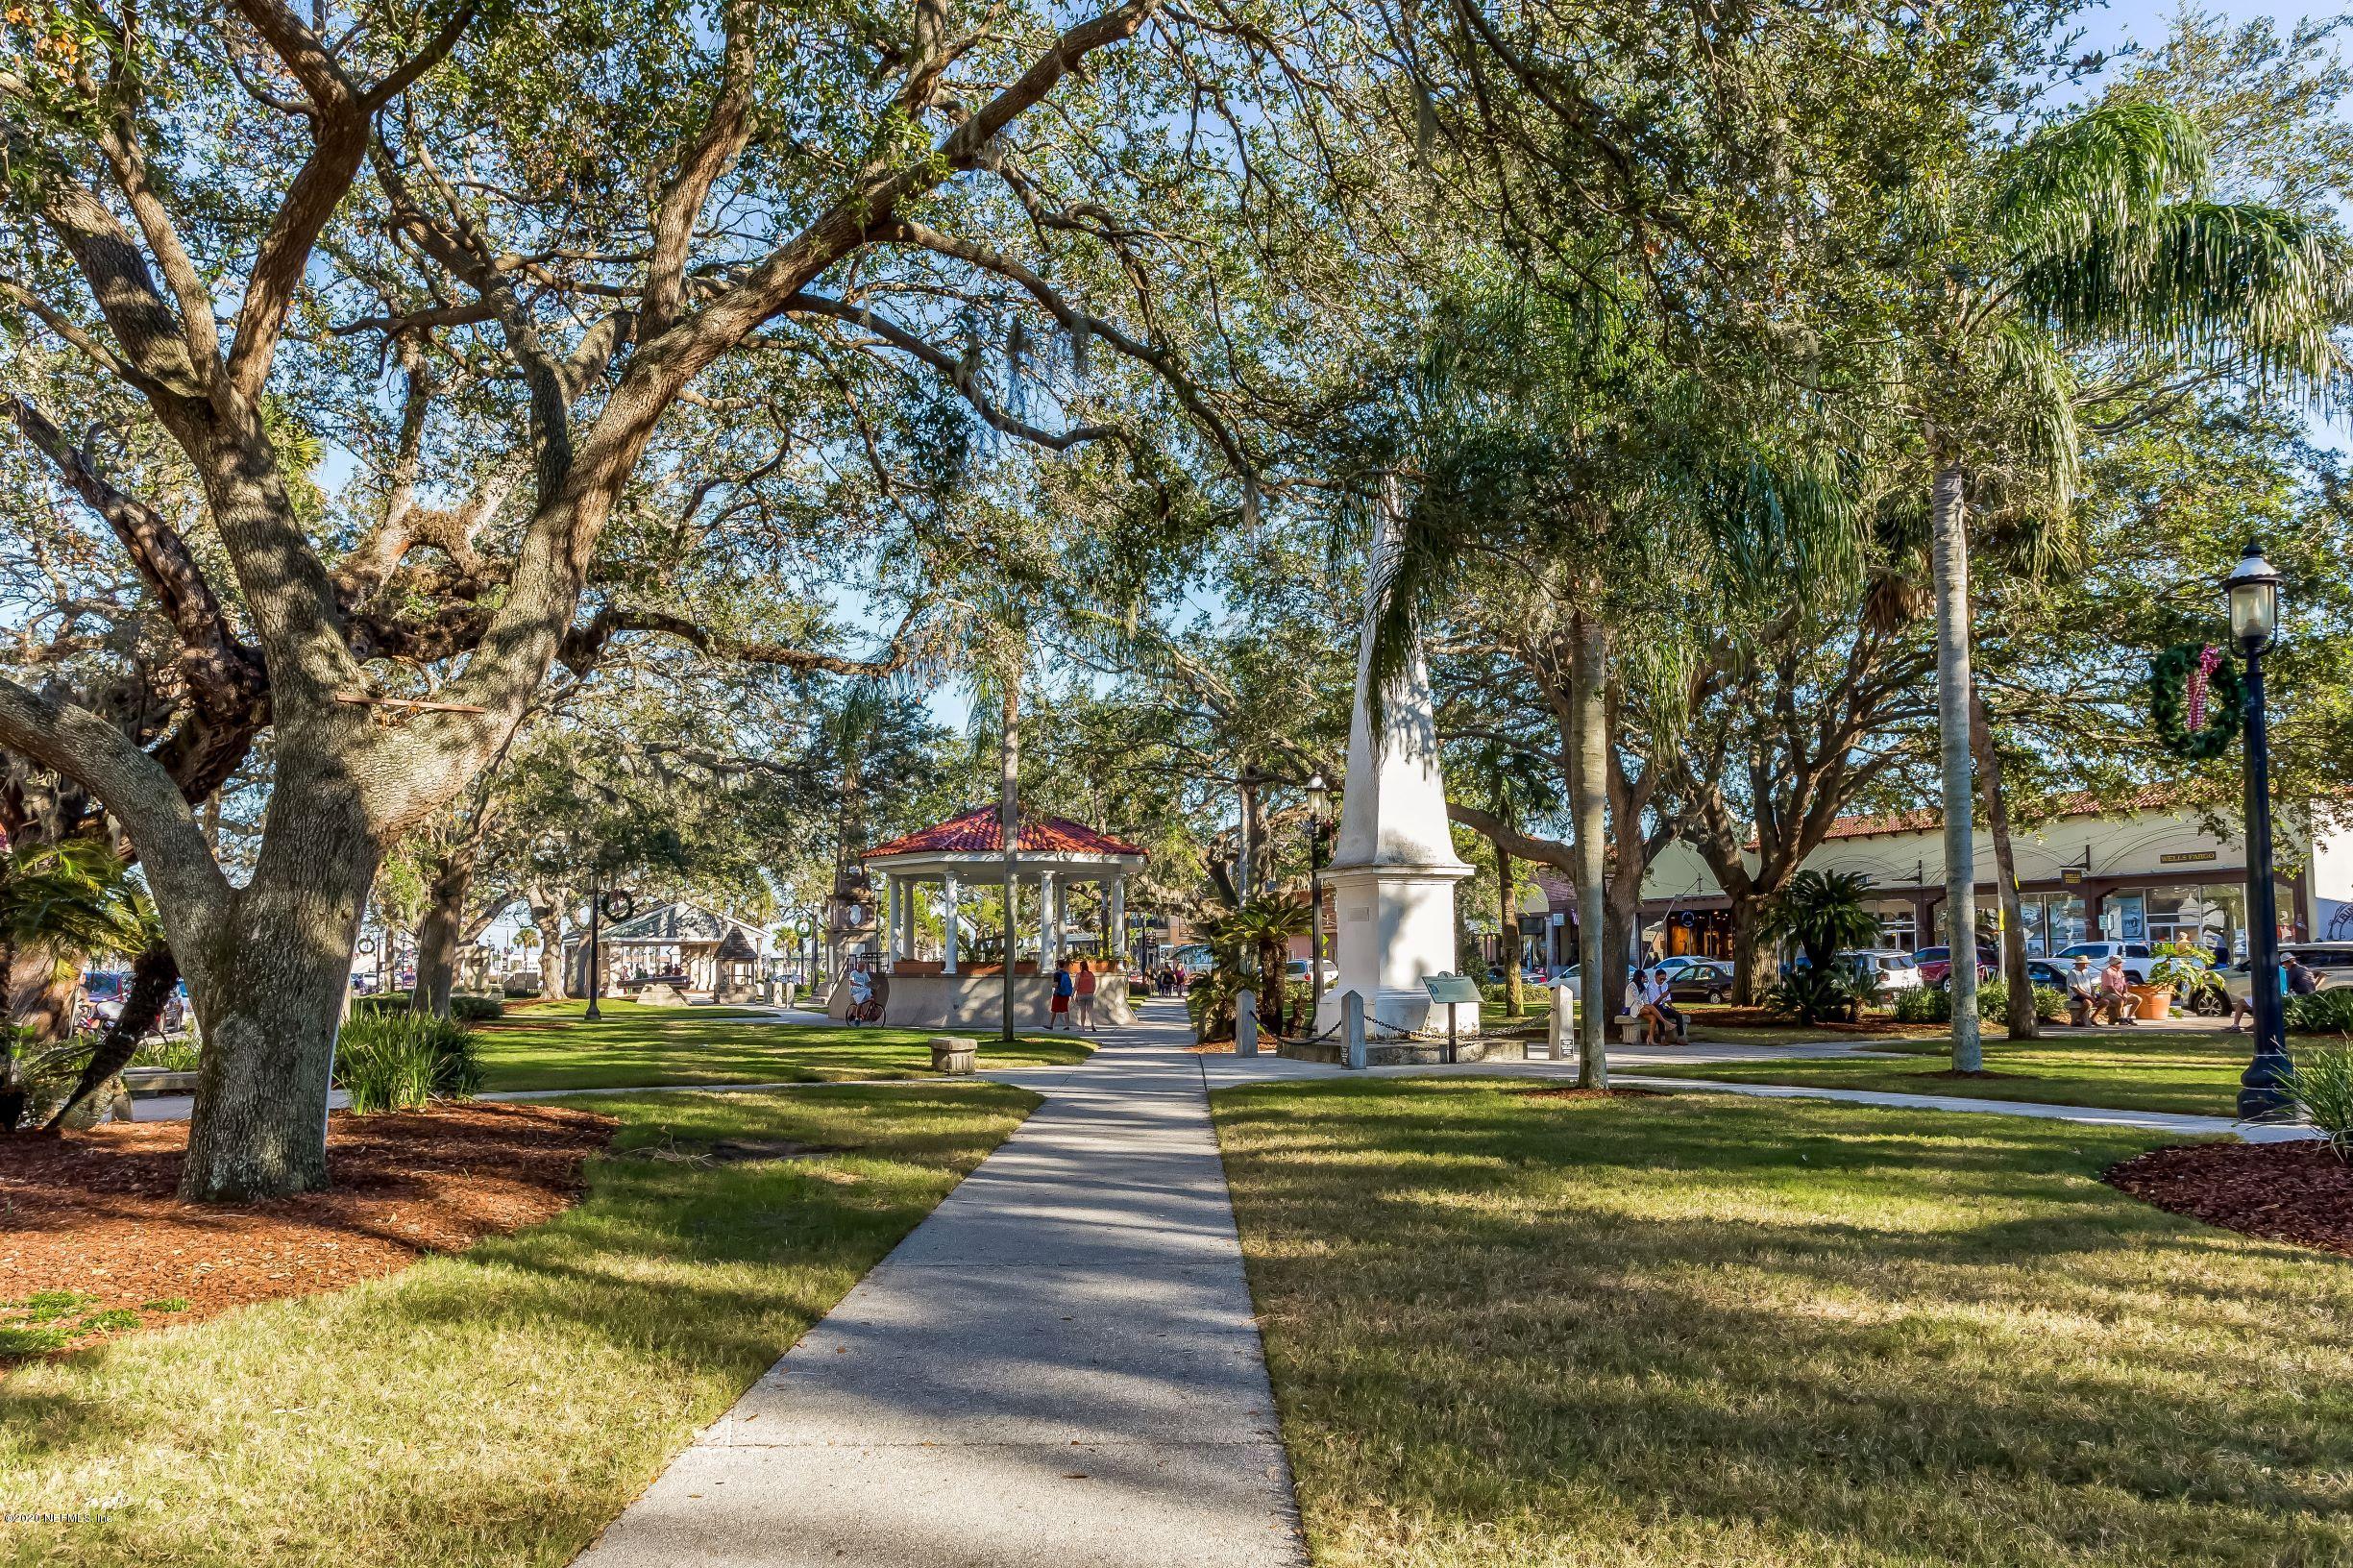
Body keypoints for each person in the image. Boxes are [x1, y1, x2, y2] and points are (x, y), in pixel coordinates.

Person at [1623, 969, 1662, 1045]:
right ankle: (1665, 1022)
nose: (1645, 979)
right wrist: (1644, 1007)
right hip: (1632, 1008)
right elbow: (1636, 999)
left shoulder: (1642, 987)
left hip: (1639, 1008)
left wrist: (1646, 1006)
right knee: (1648, 1009)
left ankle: (1650, 1038)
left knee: (1653, 1018)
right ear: (1640, 977)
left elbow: (1645, 999)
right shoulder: (1631, 986)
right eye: (1644, 977)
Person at [1647, 968, 1685, 1042]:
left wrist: (1670, 1005)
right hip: (1655, 1007)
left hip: (1663, 1006)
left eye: (1664, 979)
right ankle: (1662, 1037)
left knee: (1678, 1015)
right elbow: (1653, 1004)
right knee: (1660, 1016)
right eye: (1661, 979)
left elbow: (1668, 998)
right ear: (1656, 977)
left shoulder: (1665, 985)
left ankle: (1681, 1036)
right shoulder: (1651, 987)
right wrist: (1661, 997)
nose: (1662, 981)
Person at [2096, 956, 2137, 1026]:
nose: (2122, 964)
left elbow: (2124, 984)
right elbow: (2110, 987)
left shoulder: (2120, 971)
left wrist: (2124, 994)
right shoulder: (2107, 971)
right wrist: (2121, 996)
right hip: (2108, 993)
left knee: (2138, 999)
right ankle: (2120, 1018)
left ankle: (2128, 1017)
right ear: (2116, 963)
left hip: (2119, 992)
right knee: (2120, 1000)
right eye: (2120, 963)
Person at [2065, 956, 2097, 1028]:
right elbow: (2074, 988)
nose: (2086, 965)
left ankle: (2093, 1018)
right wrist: (2088, 996)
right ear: (2079, 964)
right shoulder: (2073, 973)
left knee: (2105, 1001)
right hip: (2076, 995)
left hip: (2087, 993)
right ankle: (2078, 1018)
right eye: (2084, 963)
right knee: (2087, 1002)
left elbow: (2090, 985)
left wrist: (2093, 994)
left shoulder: (2086, 971)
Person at [846, 962, 873, 1026]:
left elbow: (868, 982)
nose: (863, 968)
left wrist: (874, 986)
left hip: (863, 990)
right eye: (862, 966)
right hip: (856, 991)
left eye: (864, 966)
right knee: (860, 1003)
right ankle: (857, 1018)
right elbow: (851, 983)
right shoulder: (853, 973)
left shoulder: (864, 974)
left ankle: (870, 1011)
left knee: (872, 997)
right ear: (858, 966)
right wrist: (858, 984)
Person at [1073, 957, 1097, 1030]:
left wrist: (1072, 994)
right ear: (1087, 967)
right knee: (1090, 1010)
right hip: (1090, 994)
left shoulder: (1079, 975)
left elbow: (1076, 985)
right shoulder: (1091, 974)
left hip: (1081, 995)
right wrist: (1092, 992)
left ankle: (1083, 1027)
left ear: (1081, 967)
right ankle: (1092, 1024)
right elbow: (1094, 984)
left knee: (1082, 1011)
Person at [1050, 958, 1074, 1029]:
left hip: (1058, 994)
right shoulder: (1066, 973)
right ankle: (1067, 1025)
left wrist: (1052, 985)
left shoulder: (1057, 974)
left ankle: (1051, 1025)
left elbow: (1055, 985)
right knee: (1065, 1009)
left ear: (1058, 965)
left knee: (1054, 1010)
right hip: (1065, 994)